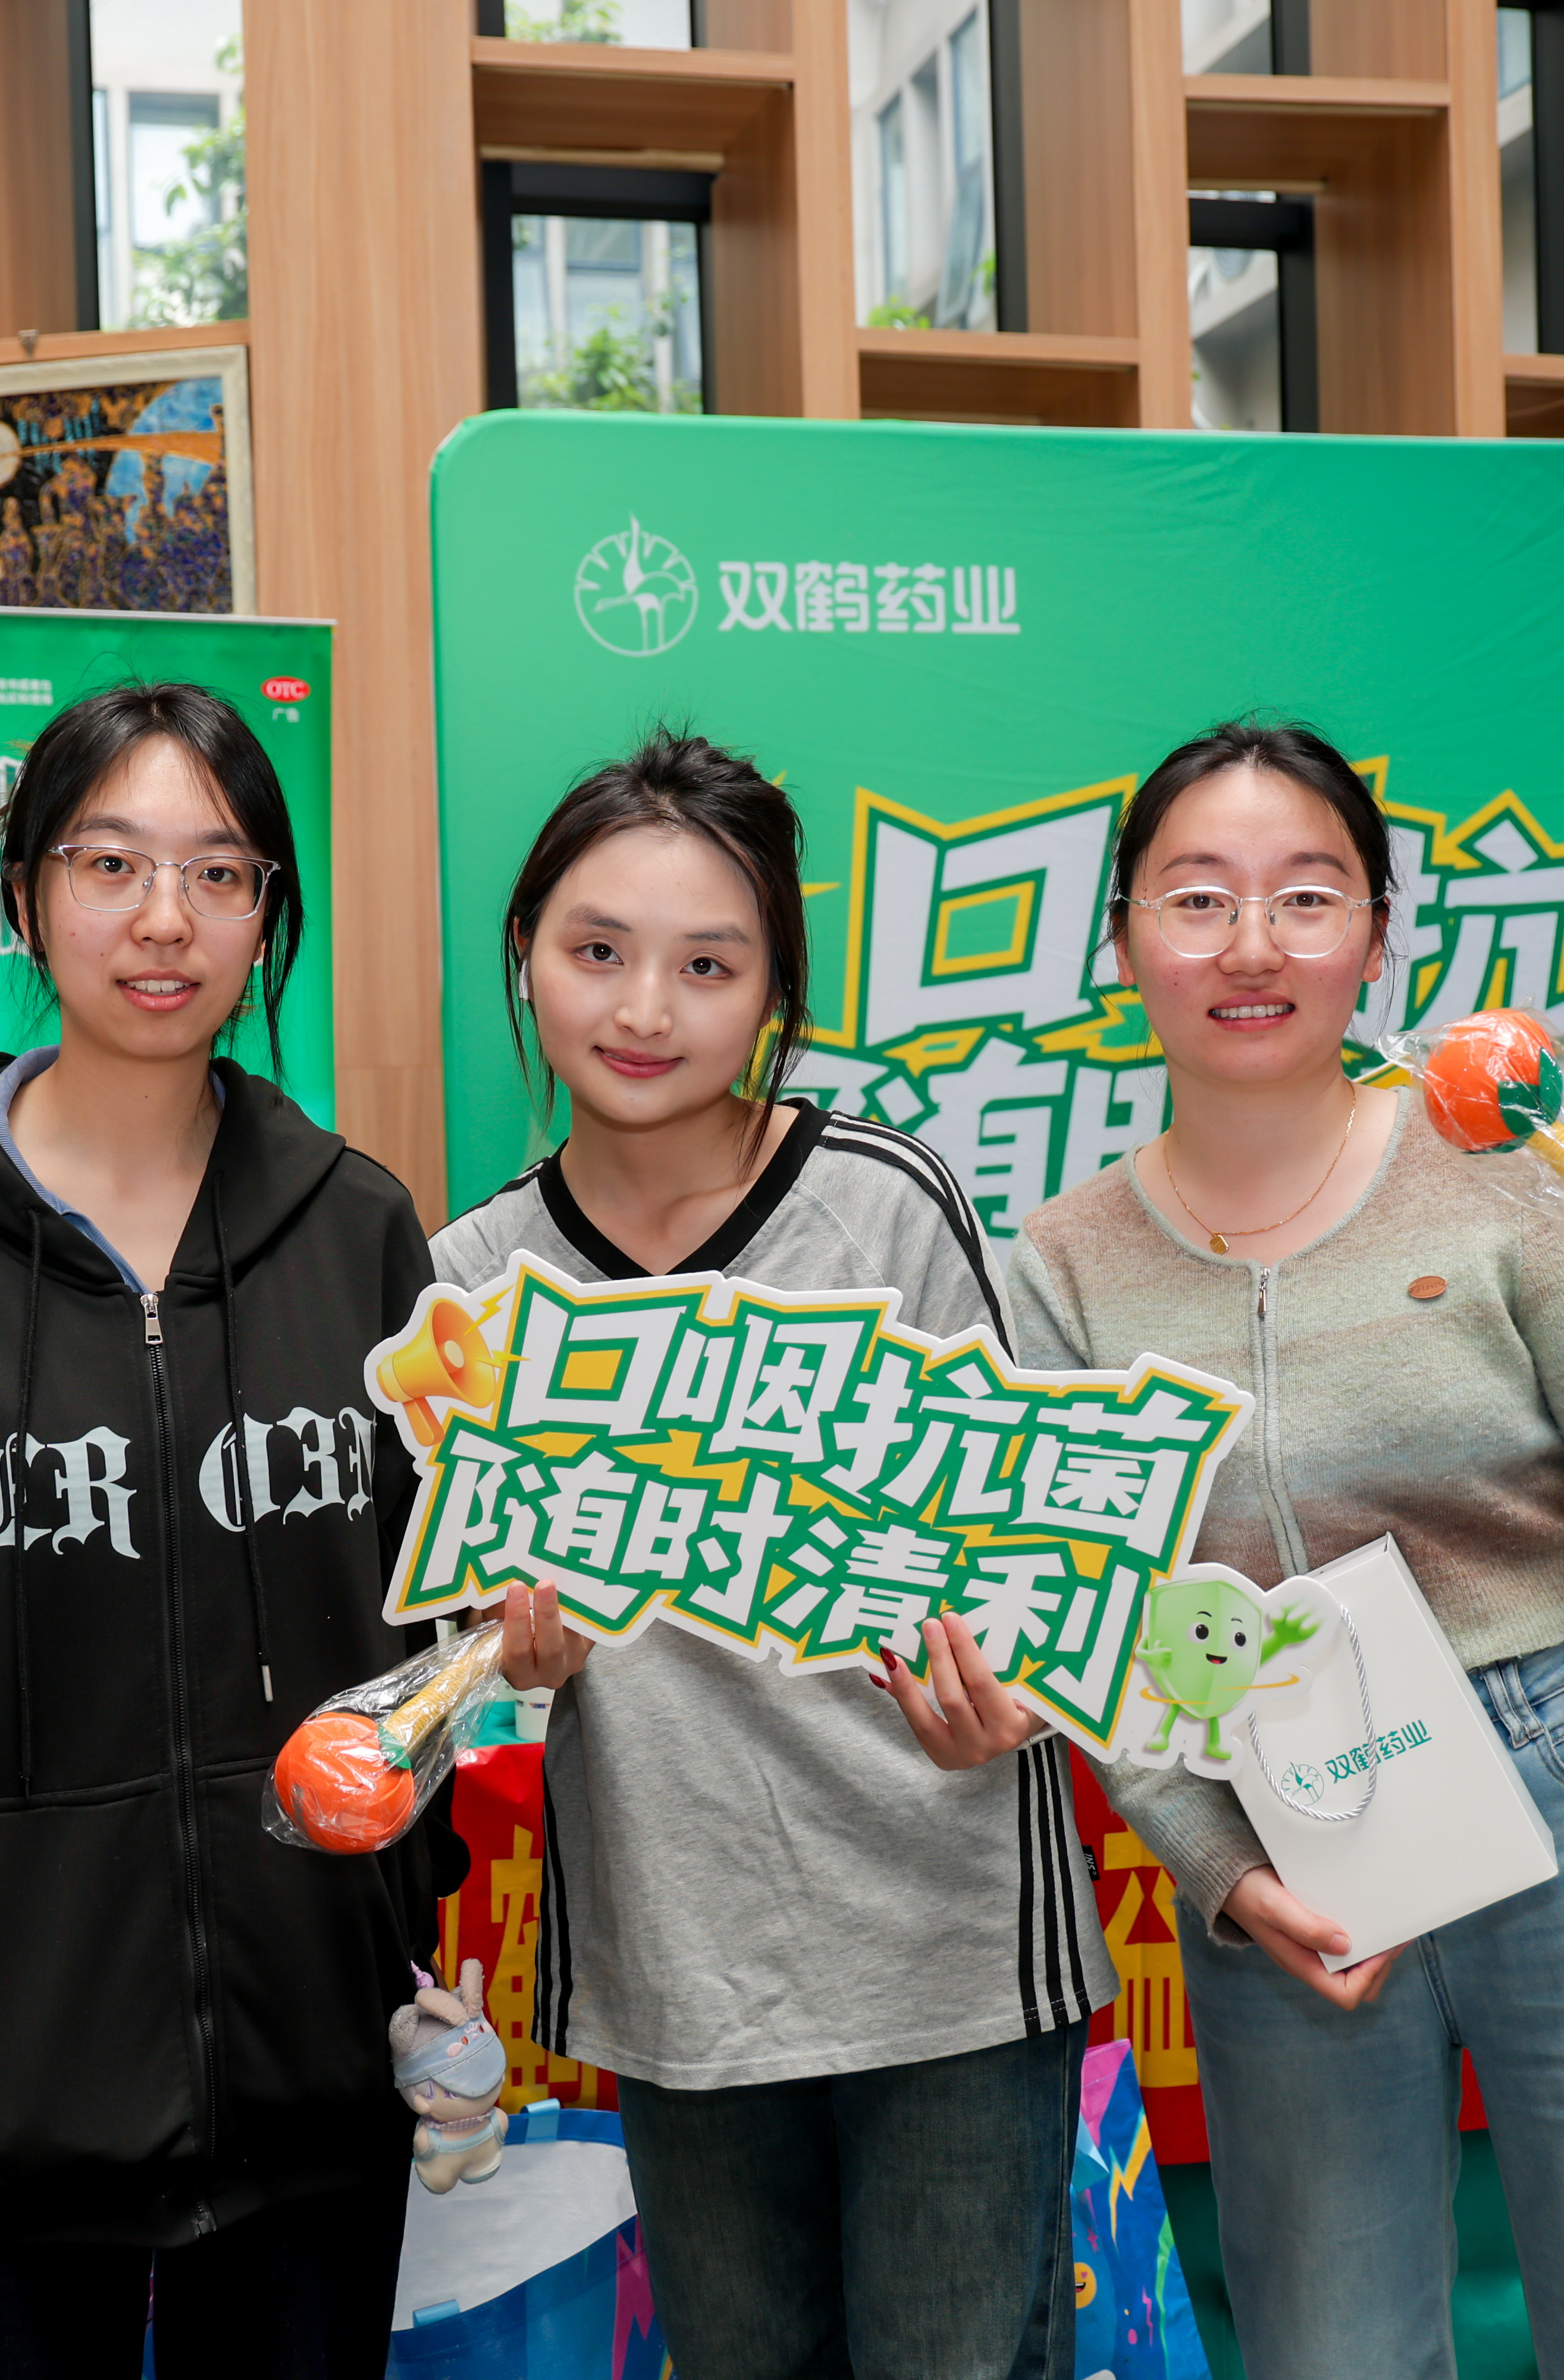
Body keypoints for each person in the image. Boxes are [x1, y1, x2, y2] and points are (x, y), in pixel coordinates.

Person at [897, 718, 1564, 2378]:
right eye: (1199, 899)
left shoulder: (1503, 1170)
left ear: (1380, 935)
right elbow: (1098, 1626)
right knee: (1334, 2344)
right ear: (1123, 940)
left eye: (1309, 897)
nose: (1253, 945)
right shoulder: (1059, 1267)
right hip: (1291, 1819)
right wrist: (1219, 1866)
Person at [0, 682, 453, 2379]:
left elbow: (420, 1629)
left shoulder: (355, 1228)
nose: (164, 919)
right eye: (110, 862)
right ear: (29, 894)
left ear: (268, 911)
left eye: (218, 871)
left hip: (309, 2082)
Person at [430, 729, 1109, 2380]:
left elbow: (1044, 1549)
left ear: (775, 995)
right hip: (681, 1970)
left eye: (706, 965)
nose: (644, 1009)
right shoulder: (471, 1278)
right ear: (525, 954)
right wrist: (508, 1652)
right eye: (598, 951)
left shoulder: (886, 1207)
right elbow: (463, 1628)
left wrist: (1014, 1686)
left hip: (945, 1952)